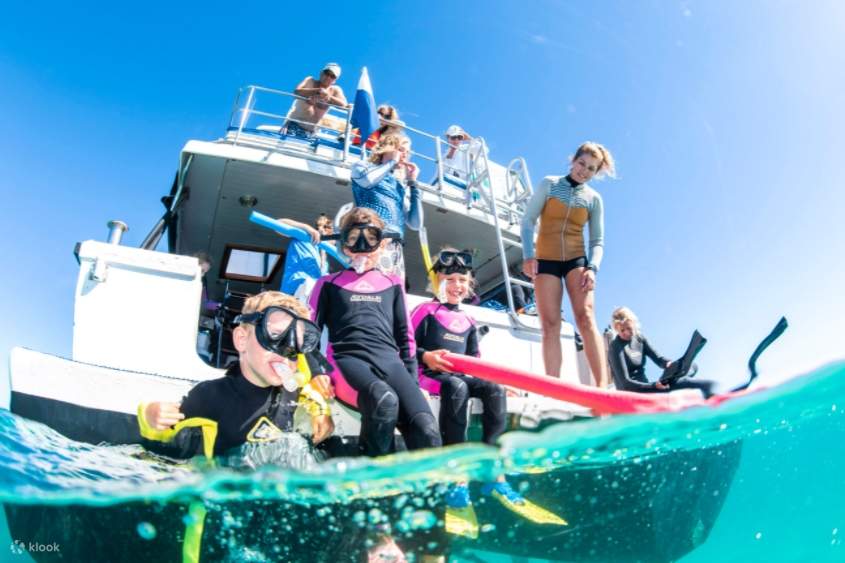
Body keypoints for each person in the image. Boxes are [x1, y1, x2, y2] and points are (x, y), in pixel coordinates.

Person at [139, 291, 337, 460]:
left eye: (296, 344)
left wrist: (321, 412)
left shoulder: (290, 388)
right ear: (242, 340)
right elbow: (164, 446)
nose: (286, 351)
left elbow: (308, 391)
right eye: (276, 336)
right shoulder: (211, 396)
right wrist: (149, 414)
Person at [309, 207, 441, 457]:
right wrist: (316, 372)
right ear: (344, 246)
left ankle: (432, 491)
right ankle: (375, 490)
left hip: (391, 364)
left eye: (371, 241)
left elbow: (405, 337)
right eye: (353, 241)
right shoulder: (327, 284)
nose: (362, 250)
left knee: (427, 430)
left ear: (382, 245)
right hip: (347, 361)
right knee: (384, 400)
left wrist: (412, 383)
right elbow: (308, 334)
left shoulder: (393, 284)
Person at [520, 141, 616, 386]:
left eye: (591, 168)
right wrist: (529, 255)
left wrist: (592, 268)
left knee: (585, 317)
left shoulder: (594, 199)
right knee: (550, 324)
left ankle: (602, 388)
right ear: (573, 160)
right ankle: (554, 388)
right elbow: (528, 221)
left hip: (577, 261)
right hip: (545, 260)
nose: (584, 170)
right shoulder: (549, 184)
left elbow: (597, 240)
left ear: (596, 173)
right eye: (582, 163)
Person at [350, 133, 422, 278]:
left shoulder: (399, 187)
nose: (405, 155)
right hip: (370, 239)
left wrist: (413, 184)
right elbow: (367, 180)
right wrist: (390, 163)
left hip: (395, 246)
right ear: (387, 148)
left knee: (391, 292)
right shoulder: (361, 167)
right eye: (401, 150)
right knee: (369, 286)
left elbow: (415, 224)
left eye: (407, 153)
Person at [609, 307, 716, 397]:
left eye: (629, 328)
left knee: (691, 366)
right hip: (632, 393)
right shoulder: (615, 346)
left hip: (651, 388)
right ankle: (706, 389)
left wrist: (667, 363)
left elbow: (659, 359)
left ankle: (696, 388)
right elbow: (625, 383)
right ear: (616, 330)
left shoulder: (640, 339)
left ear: (634, 323)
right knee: (706, 385)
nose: (627, 332)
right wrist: (653, 386)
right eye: (622, 330)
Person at [278, 214, 334, 304]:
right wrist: (306, 228)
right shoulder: (304, 238)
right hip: (292, 293)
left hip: (312, 300)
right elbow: (279, 224)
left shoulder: (325, 262)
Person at [284, 62, 348, 138]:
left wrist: (328, 96)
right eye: (327, 73)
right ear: (321, 73)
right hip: (294, 126)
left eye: (332, 76)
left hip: (311, 133)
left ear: (334, 80)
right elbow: (296, 92)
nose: (328, 77)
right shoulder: (310, 80)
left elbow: (344, 105)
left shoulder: (335, 90)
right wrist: (318, 91)